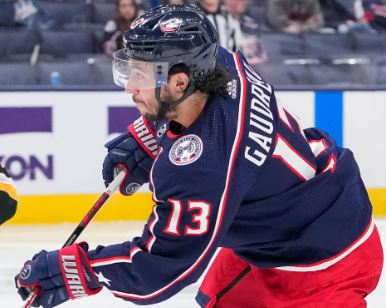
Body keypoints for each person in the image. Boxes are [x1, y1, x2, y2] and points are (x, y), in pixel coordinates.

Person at [15, 4, 383, 308]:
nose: (129, 86)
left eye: (140, 74)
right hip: (292, 226)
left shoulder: (203, 170)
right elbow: (196, 116)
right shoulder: (221, 64)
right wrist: (147, 139)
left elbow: (159, 269)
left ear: (178, 82)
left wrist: (76, 270)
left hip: (326, 265)